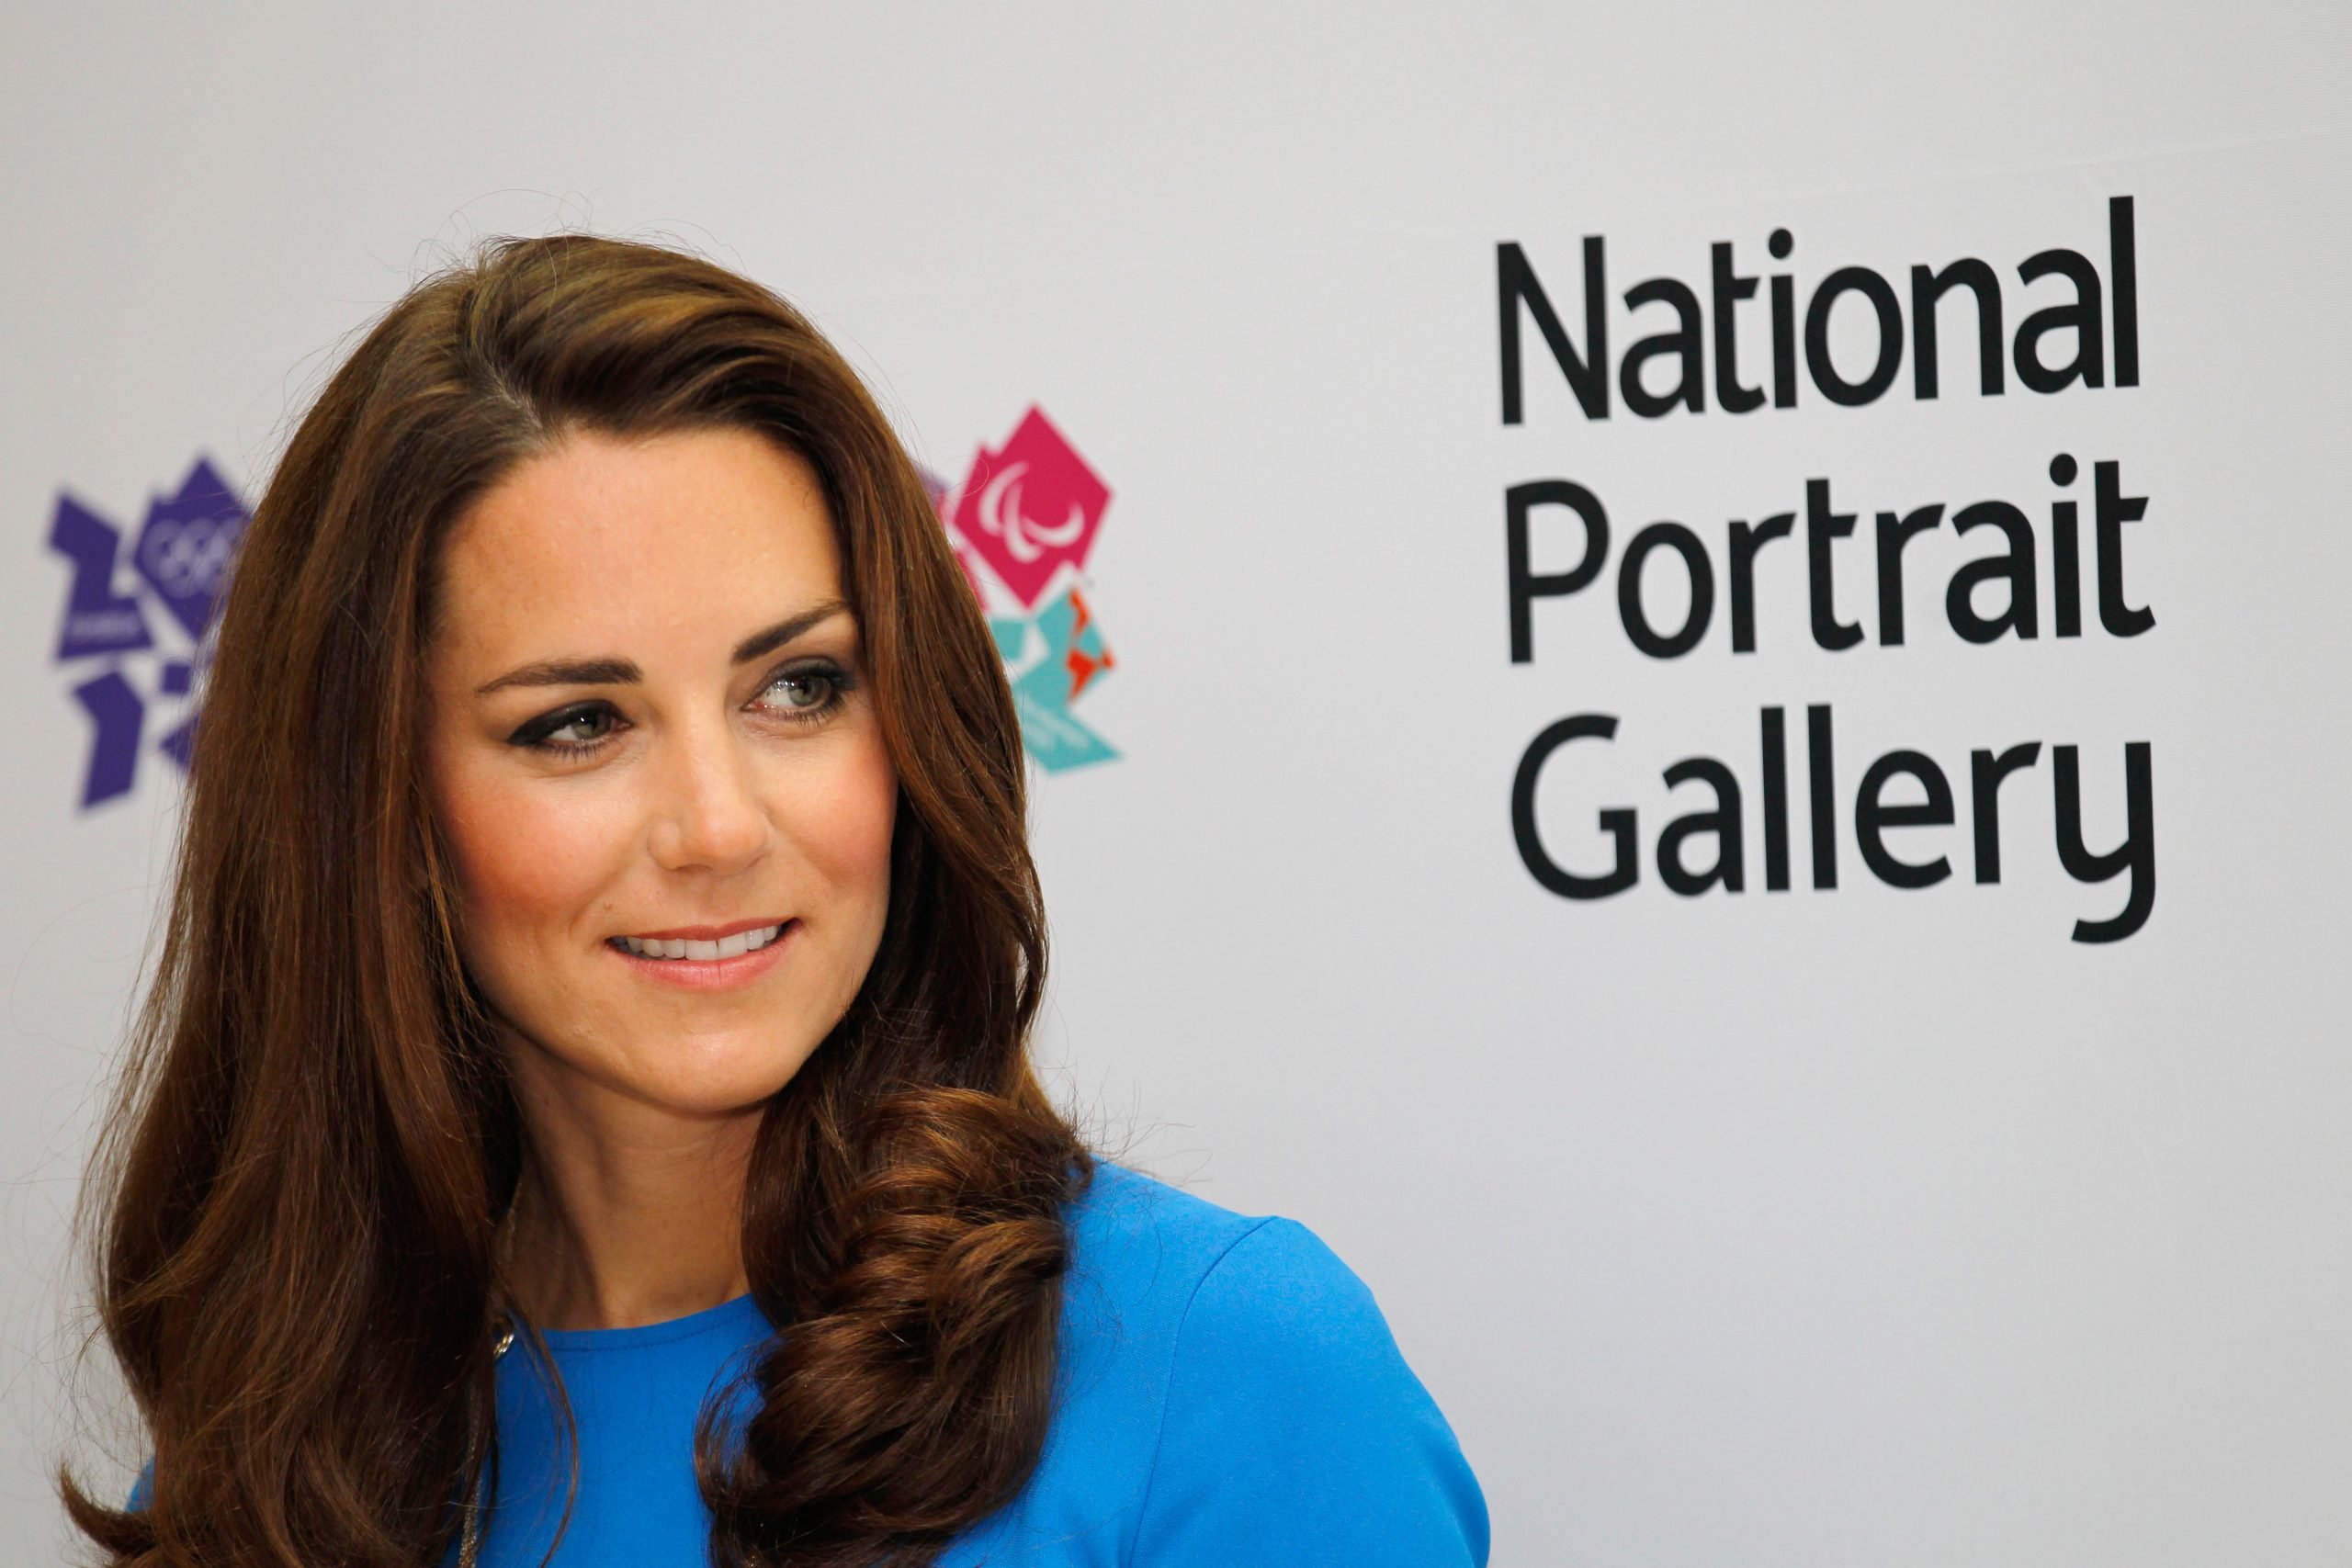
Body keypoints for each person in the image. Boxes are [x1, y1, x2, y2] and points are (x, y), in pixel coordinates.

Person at [62, 234, 1487, 1567]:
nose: (720, 826)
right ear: (381, 813)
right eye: (577, 723)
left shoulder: (1220, 1373)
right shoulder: (283, 1478)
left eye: (799, 688)